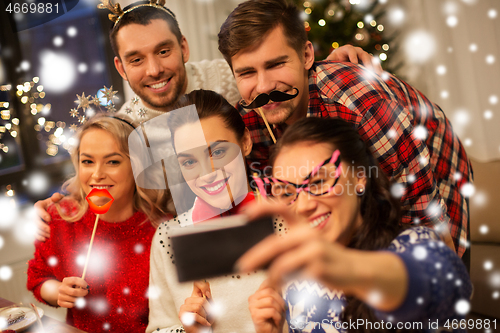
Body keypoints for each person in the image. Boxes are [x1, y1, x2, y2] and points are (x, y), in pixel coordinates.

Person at [33, 0, 378, 241]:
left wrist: (323, 68)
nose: (154, 69)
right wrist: (59, 204)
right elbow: (100, 177)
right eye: (136, 59)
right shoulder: (126, 130)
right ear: (121, 67)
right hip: (193, 244)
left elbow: (276, 78)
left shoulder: (227, 79)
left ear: (183, 47)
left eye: (164, 51)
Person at [217, 0, 472, 261]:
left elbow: (423, 215)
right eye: (247, 72)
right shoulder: (248, 120)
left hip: (431, 163)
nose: (263, 87)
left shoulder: (362, 105)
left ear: (306, 56)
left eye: (275, 65)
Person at [237, 117, 472, 333]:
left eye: (319, 181)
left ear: (360, 177)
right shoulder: (295, 281)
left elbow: (447, 282)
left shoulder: (413, 244)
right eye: (288, 192)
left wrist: (349, 268)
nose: (303, 205)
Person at [147, 90, 278, 333]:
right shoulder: (169, 237)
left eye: (217, 152)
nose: (207, 172)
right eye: (189, 162)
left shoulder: (286, 221)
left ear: (245, 142)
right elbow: (157, 329)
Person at [27, 115, 170, 333]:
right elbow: (38, 278)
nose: (97, 174)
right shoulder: (59, 219)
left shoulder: (163, 229)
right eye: (87, 161)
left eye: (113, 161)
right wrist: (58, 291)